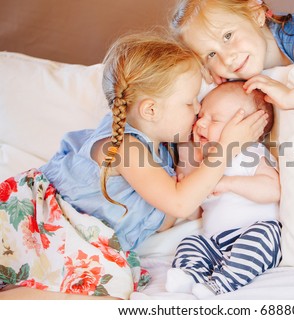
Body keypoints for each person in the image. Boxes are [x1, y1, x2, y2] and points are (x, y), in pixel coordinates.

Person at [0, 32, 268, 299]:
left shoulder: (160, 149)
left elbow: (167, 215)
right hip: (37, 223)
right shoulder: (126, 148)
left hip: (77, 240)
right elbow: (180, 204)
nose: (198, 109)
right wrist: (225, 148)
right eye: (190, 102)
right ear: (151, 110)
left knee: (115, 289)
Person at [165, 81, 281, 299]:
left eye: (214, 120)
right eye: (200, 118)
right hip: (215, 243)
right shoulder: (204, 167)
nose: (200, 125)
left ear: (248, 130)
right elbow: (195, 211)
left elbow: (272, 189)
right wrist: (183, 186)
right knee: (191, 242)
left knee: (267, 234)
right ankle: (191, 274)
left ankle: (221, 283)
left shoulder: (250, 153)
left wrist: (228, 183)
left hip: (250, 233)